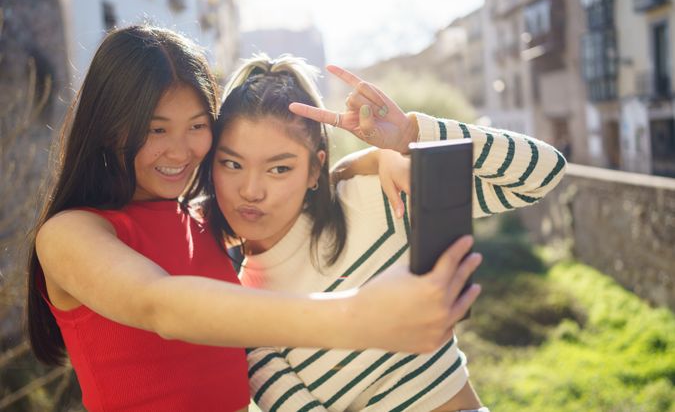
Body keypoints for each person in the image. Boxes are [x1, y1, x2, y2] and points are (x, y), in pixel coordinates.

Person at [26, 26, 481, 412]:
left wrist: (373, 161)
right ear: (109, 125)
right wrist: (358, 315)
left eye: (198, 125)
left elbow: (283, 190)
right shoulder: (70, 234)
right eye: (155, 128)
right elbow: (160, 305)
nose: (181, 151)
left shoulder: (204, 222)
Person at [205, 54, 567, 411]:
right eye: (232, 163)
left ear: (315, 169)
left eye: (279, 169)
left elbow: (541, 174)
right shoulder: (243, 305)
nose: (251, 190)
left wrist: (410, 135)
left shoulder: (375, 196)